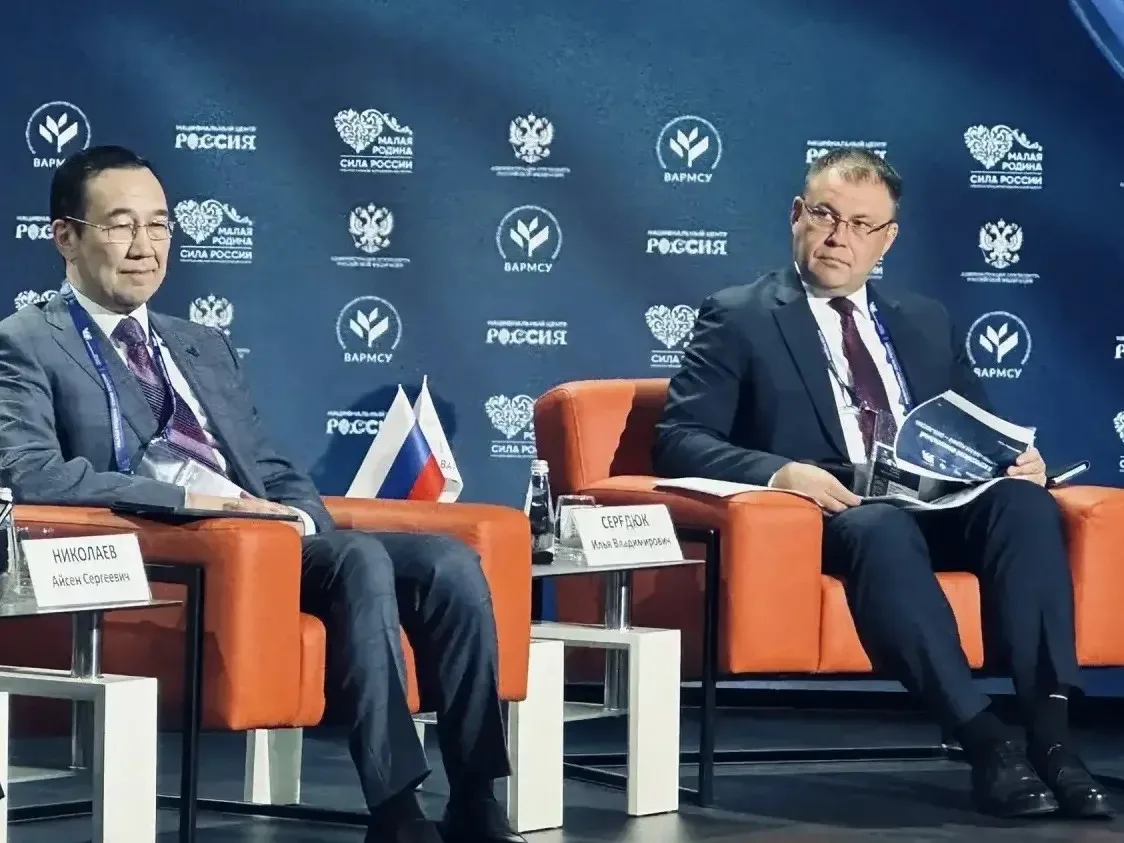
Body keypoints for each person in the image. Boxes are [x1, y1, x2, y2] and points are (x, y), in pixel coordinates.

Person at [0, 145, 524, 843]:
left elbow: (269, 468)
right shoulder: (28, 342)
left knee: (450, 562)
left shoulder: (199, 344)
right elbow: (31, 472)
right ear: (65, 236)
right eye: (120, 226)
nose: (144, 246)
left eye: (158, 226)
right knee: (360, 560)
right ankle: (397, 810)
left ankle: (476, 798)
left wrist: (300, 521)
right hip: (177, 552)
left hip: (270, 539)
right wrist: (192, 506)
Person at [652, 147, 1113, 820]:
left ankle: (1054, 741)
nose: (839, 236)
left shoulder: (925, 320)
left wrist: (1019, 463)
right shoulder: (740, 315)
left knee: (1021, 503)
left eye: (862, 224)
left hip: (943, 499)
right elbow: (680, 437)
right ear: (797, 215)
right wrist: (781, 473)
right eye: (825, 215)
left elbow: (978, 430)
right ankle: (987, 743)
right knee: (882, 526)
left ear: (887, 238)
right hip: (840, 510)